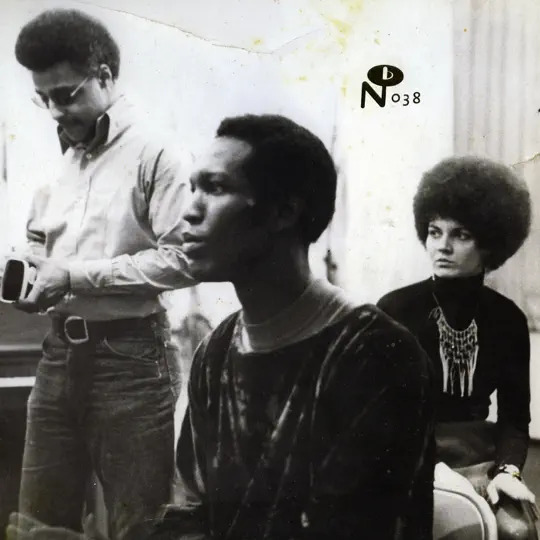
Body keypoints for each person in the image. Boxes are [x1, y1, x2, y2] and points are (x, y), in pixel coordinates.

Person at [8, 115, 435, 540]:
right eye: (193, 188)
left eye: (214, 188)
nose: (188, 212)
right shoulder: (217, 351)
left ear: (284, 212)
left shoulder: (374, 355)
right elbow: (191, 518)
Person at [10, 8, 194, 540]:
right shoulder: (61, 159)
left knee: (143, 528)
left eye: (65, 95)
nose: (54, 111)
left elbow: (186, 259)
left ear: (106, 76)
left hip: (131, 359)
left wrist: (72, 277)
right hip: (57, 356)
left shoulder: (158, 151)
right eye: (43, 98)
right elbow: (41, 243)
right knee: (37, 527)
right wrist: (31, 274)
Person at [377, 156, 538, 539]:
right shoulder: (395, 309)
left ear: (490, 244)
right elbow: (378, 414)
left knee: (518, 532)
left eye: (460, 235)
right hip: (409, 459)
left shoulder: (508, 319)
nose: (442, 247)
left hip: (481, 460)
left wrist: (508, 471)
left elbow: (515, 419)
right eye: (435, 232)